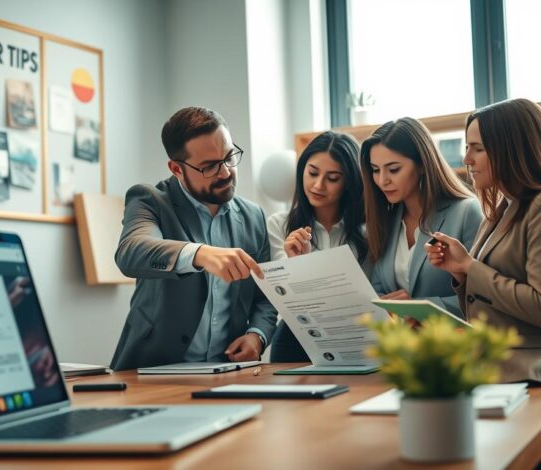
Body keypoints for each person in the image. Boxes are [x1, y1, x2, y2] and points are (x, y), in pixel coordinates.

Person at [425, 98, 541, 386]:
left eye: (478, 149)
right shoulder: (503, 209)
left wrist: (471, 267)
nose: (467, 159)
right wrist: (460, 273)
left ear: (512, 150)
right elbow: (488, 307)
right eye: (467, 147)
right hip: (503, 368)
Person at [111, 107, 276, 371]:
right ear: (177, 168)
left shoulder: (253, 216)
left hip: (226, 372)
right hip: (152, 371)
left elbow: (265, 296)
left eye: (229, 157)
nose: (226, 173)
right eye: (209, 166)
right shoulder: (150, 200)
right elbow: (132, 251)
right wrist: (200, 254)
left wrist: (257, 335)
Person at [361, 117, 482, 318]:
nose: (382, 180)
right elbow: (376, 287)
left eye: (393, 169)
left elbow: (482, 297)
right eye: (375, 170)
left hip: (450, 337)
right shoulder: (385, 221)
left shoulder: (466, 212)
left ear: (422, 165)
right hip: (395, 336)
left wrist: (416, 308)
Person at [266, 131, 366, 362]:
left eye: (333, 178)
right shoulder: (279, 225)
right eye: (312, 173)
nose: (318, 185)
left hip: (356, 336)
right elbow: (279, 294)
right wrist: (296, 263)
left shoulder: (368, 231)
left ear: (349, 182)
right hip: (296, 337)